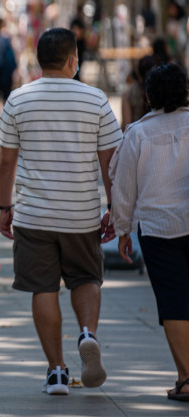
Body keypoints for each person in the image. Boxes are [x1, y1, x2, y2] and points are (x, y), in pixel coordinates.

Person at [0, 27, 122, 396]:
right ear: (72, 60)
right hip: (82, 211)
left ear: (38, 60)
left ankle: (56, 372)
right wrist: (114, 207)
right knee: (86, 278)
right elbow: (109, 162)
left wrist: (5, 207)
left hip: (34, 215)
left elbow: (5, 162)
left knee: (42, 288)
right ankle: (87, 332)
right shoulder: (95, 99)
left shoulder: (19, 99)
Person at [110, 62, 189, 403]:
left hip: (157, 230)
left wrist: (122, 229)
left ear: (148, 96)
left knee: (173, 302)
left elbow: (124, 188)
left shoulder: (138, 133)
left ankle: (186, 378)